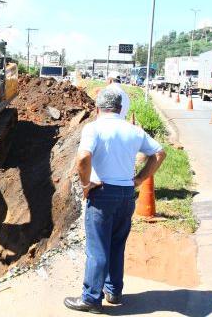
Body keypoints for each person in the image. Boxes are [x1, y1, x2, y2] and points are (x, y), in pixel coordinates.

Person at [63, 88, 166, 313]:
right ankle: (114, 291)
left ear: (97, 108)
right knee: (117, 244)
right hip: (126, 195)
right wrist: (139, 178)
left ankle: (91, 298)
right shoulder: (133, 131)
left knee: (97, 248)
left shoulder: (94, 128)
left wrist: (85, 184)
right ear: (120, 109)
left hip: (102, 195)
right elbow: (159, 153)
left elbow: (83, 157)